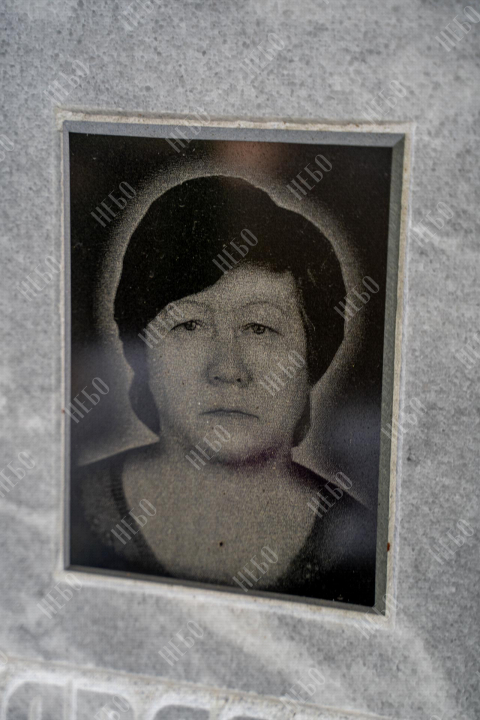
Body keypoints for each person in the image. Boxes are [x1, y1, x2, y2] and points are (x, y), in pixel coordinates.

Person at [70, 175, 376, 606]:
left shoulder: (360, 547)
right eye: (189, 325)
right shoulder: (66, 512)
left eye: (260, 328)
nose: (228, 370)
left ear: (311, 359)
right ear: (144, 355)